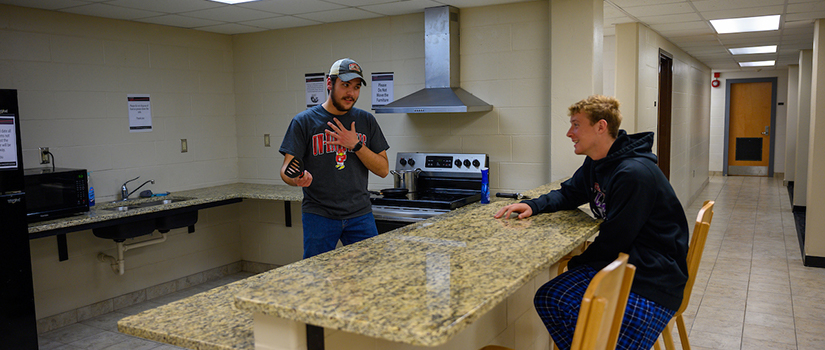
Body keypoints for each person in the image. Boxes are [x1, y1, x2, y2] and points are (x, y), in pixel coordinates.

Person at [494, 95, 689, 350]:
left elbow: (614, 240)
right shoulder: (596, 163)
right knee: (550, 297)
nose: (568, 133)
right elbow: (569, 193)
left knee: (557, 298)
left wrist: (576, 264)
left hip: (653, 281)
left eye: (576, 125)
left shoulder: (634, 173)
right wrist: (533, 205)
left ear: (601, 127)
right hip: (628, 264)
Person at [280, 58, 390, 259]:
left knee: (370, 271)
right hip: (319, 215)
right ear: (329, 84)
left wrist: (356, 145)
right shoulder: (304, 122)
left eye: (356, 87)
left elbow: (383, 169)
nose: (351, 93)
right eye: (345, 85)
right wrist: (296, 178)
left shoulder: (366, 121)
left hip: (360, 214)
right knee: (317, 275)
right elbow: (287, 167)